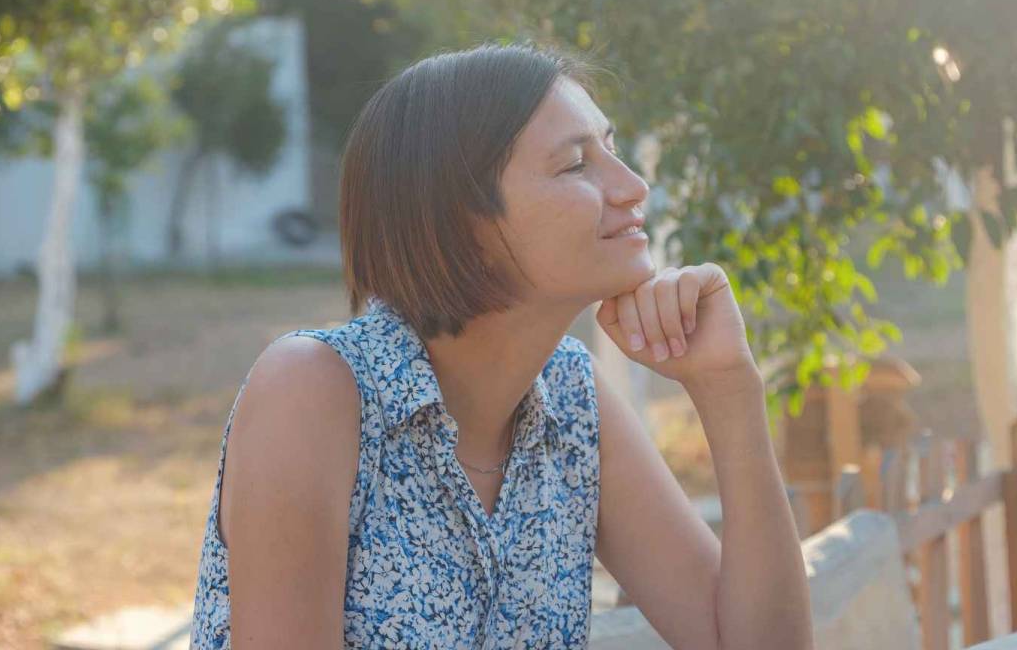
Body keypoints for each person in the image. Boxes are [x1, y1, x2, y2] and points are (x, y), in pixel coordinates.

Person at [189, 43, 814, 649]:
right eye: (576, 164)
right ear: (458, 220)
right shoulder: (314, 390)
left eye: (613, 149)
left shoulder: (572, 397)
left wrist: (728, 387)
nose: (633, 186)